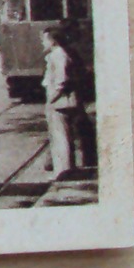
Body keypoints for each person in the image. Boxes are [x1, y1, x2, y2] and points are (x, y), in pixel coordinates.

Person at [41, 26, 87, 177]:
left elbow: (61, 80)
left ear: (53, 41)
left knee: (61, 136)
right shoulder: (57, 54)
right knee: (61, 135)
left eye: (44, 39)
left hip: (61, 102)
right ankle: (64, 168)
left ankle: (64, 170)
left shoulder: (59, 55)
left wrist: (52, 98)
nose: (42, 43)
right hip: (61, 101)